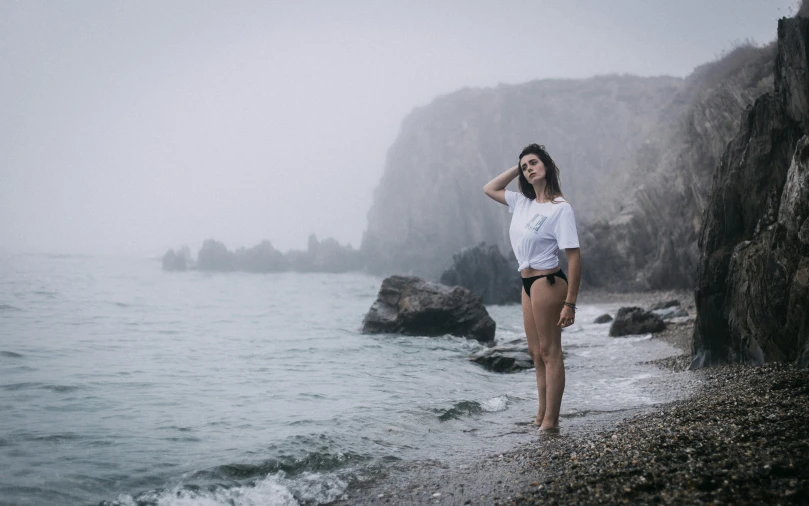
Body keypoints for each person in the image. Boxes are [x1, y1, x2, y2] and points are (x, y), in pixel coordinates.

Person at [483, 143, 581, 430]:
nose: (529, 169)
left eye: (534, 163)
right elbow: (489, 188)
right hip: (526, 283)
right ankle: (541, 414)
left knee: (551, 352)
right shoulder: (522, 202)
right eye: (525, 167)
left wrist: (570, 302)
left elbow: (573, 256)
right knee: (536, 354)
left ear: (547, 166)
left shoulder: (560, 209)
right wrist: (518, 168)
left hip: (547, 282)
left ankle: (550, 421)